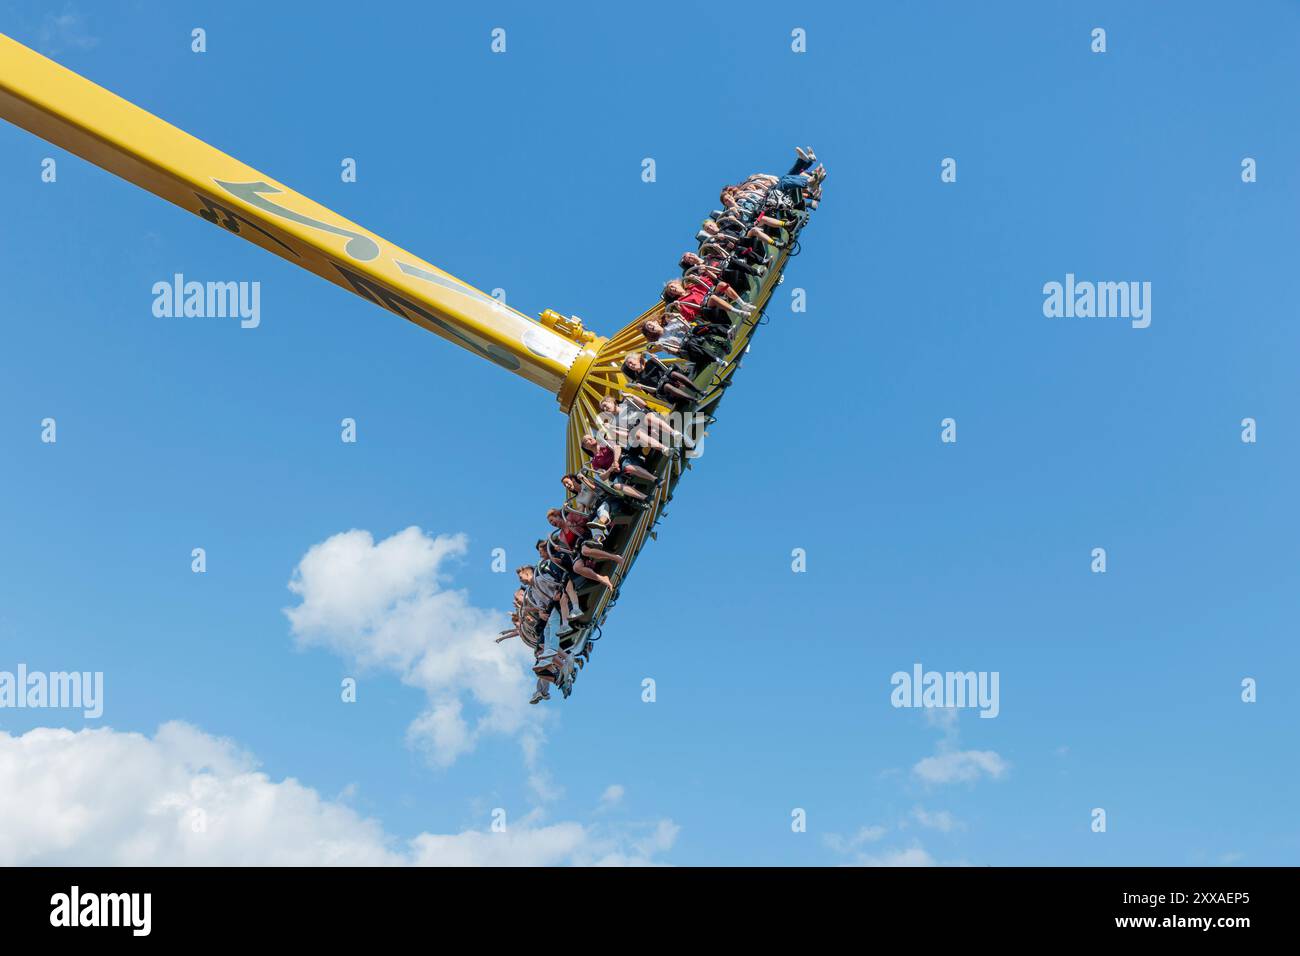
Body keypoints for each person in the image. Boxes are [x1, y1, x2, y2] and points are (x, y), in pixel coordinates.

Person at [622, 351, 705, 405]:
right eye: (628, 366)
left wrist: (656, 359)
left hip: (671, 378)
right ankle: (694, 399)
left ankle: (699, 391)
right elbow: (652, 392)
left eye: (630, 362)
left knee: (673, 373)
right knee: (666, 386)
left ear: (637, 360)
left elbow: (666, 369)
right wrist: (642, 387)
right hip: (665, 391)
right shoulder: (639, 379)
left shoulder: (651, 362)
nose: (630, 365)